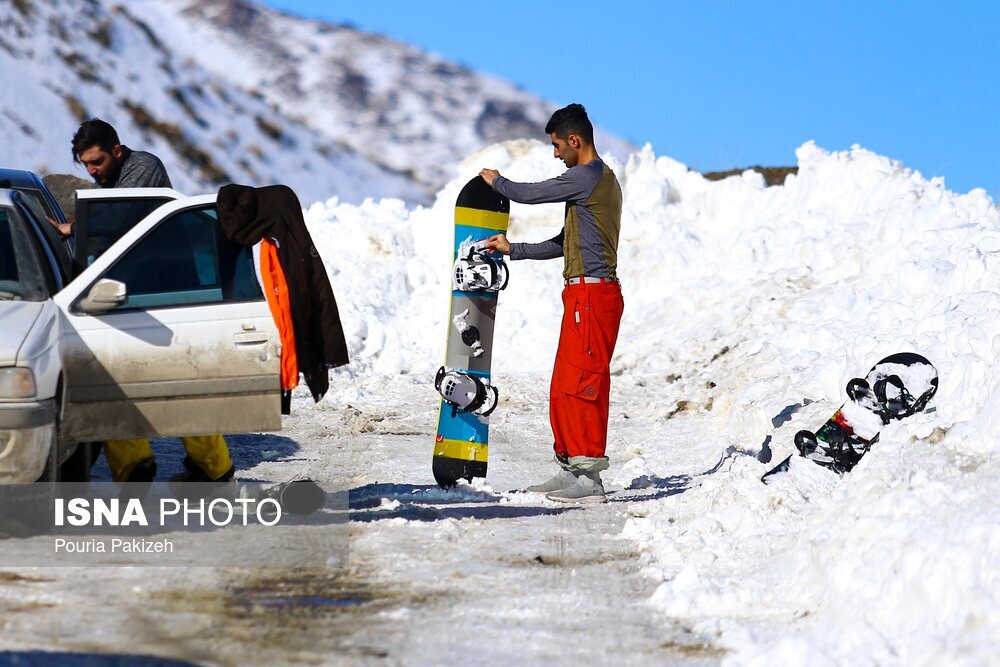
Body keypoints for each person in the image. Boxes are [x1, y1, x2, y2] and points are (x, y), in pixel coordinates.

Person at [70, 119, 235, 492]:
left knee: (181, 387)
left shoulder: (143, 167)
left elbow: (117, 218)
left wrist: (77, 226)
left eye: (96, 162)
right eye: (86, 165)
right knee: (116, 382)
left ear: (116, 150)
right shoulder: (109, 180)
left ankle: (214, 470)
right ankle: (135, 466)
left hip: (167, 297)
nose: (92, 171)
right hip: (130, 296)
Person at [480, 103, 624, 503]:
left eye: (558, 145)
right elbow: (565, 242)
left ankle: (590, 479)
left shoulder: (589, 176)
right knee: (564, 385)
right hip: (581, 295)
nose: (555, 153)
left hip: (595, 296)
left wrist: (498, 184)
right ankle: (571, 467)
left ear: (575, 141)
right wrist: (515, 249)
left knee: (584, 386)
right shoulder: (589, 184)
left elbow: (534, 193)